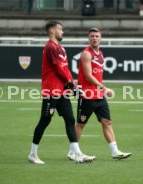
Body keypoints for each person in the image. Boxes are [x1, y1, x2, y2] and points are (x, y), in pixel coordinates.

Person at [28, 20, 95, 164]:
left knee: (70, 119)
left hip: (62, 90)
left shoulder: (61, 48)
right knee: (45, 120)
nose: (62, 32)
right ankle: (33, 154)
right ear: (52, 31)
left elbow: (65, 69)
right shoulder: (50, 47)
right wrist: (71, 84)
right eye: (60, 29)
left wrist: (72, 84)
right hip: (52, 90)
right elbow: (58, 69)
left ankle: (77, 154)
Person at [68, 28, 132, 161]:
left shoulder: (100, 53)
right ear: (88, 38)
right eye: (92, 36)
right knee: (80, 124)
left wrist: (101, 89)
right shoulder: (86, 53)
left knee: (107, 121)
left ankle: (115, 152)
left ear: (101, 38)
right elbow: (88, 76)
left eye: (97, 36)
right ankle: (72, 151)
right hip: (86, 95)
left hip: (98, 95)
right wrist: (104, 87)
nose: (94, 38)